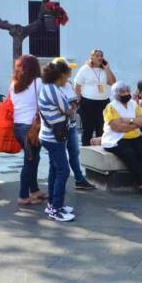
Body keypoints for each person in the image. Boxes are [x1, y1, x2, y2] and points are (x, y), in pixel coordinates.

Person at [102, 81, 142, 195]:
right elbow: (117, 127)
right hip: (117, 138)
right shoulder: (111, 107)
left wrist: (127, 120)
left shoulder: (134, 104)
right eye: (122, 92)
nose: (126, 93)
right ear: (116, 94)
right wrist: (135, 124)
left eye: (127, 91)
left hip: (135, 136)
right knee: (129, 153)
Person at [39, 60, 75, 221]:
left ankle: (53, 204)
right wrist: (73, 108)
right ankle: (56, 209)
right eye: (67, 75)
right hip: (53, 137)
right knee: (63, 171)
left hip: (50, 135)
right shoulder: (53, 89)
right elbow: (67, 110)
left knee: (55, 169)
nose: (67, 78)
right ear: (60, 75)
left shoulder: (48, 87)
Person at [9, 55, 45, 205]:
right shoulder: (38, 82)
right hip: (32, 127)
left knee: (33, 159)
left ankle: (34, 190)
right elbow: (43, 103)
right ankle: (23, 195)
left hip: (17, 126)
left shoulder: (14, 84)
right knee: (30, 162)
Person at [55, 57, 95, 190]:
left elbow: (74, 103)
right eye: (68, 69)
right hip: (58, 127)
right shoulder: (52, 88)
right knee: (57, 158)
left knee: (74, 152)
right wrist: (70, 108)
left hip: (70, 125)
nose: (70, 72)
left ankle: (79, 178)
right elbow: (65, 107)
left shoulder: (68, 84)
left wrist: (72, 107)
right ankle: (56, 185)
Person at [74, 49, 116, 146]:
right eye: (97, 55)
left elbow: (113, 82)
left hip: (103, 103)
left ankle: (100, 152)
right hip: (88, 103)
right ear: (91, 57)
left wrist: (107, 69)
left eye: (101, 55)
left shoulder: (104, 69)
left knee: (102, 129)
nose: (100, 57)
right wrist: (78, 99)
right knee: (87, 129)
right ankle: (86, 152)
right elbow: (77, 85)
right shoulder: (85, 69)